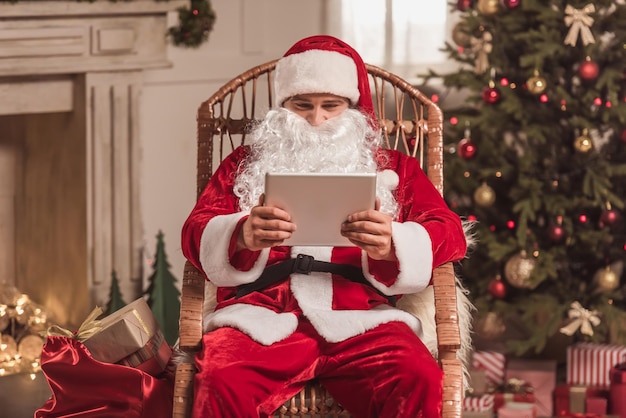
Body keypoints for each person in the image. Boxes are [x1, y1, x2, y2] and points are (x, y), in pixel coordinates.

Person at [181, 35, 468, 418]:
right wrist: (241, 234)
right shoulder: (242, 164)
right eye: (302, 106)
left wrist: (394, 244)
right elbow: (196, 229)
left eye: (330, 106)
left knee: (418, 378)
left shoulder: (394, 167)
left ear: (351, 107)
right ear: (283, 106)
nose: (317, 120)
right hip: (262, 317)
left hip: (363, 318)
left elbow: (448, 231)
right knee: (219, 380)